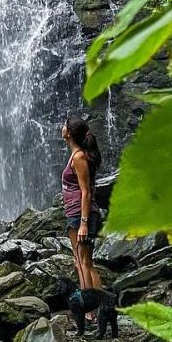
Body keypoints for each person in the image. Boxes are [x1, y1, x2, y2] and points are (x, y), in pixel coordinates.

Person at [62, 114, 103, 299]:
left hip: (80, 214)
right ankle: (101, 306)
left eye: (64, 126)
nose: (61, 128)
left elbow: (86, 191)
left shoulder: (78, 158)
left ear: (69, 133)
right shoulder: (79, 155)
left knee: (81, 263)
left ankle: (88, 310)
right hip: (79, 213)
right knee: (87, 262)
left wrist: (84, 223)